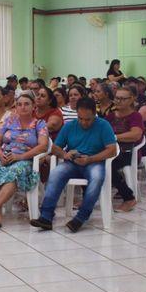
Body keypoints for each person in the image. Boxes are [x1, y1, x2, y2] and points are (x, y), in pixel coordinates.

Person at [30, 97, 117, 233]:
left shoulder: (103, 125)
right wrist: (65, 154)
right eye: (80, 118)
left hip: (94, 162)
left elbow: (112, 150)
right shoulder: (70, 126)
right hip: (72, 163)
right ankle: (46, 216)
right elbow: (55, 148)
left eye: (87, 119)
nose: (83, 122)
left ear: (95, 114)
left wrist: (90, 159)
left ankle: (81, 217)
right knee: (56, 173)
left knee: (97, 178)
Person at [0, 93, 48, 228]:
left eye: (26, 104)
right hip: (5, 158)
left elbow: (43, 146)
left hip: (26, 160)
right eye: (19, 104)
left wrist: (20, 157)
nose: (23, 107)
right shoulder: (9, 122)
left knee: (13, 174)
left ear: (33, 107)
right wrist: (1, 155)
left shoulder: (39, 124)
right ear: (15, 107)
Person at [104, 87, 142, 212]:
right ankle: (88, 196)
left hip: (127, 152)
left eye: (122, 99)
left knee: (108, 164)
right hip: (110, 150)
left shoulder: (135, 116)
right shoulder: (110, 116)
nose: (119, 101)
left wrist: (114, 137)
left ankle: (129, 198)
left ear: (131, 100)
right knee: (87, 161)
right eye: (117, 98)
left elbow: (135, 135)